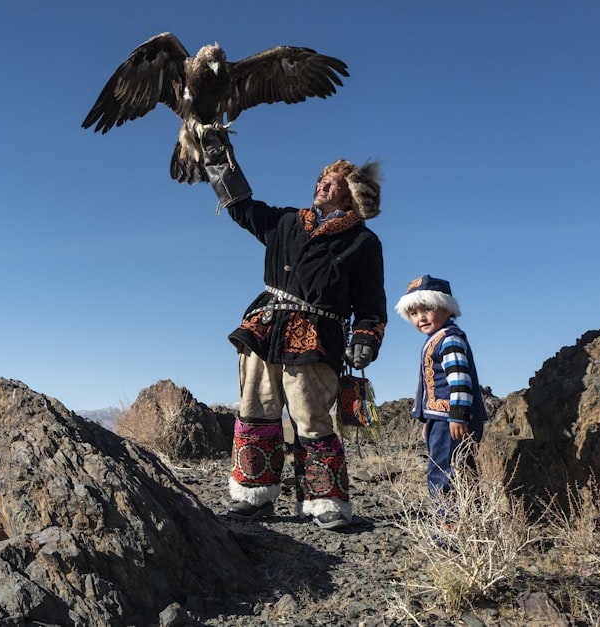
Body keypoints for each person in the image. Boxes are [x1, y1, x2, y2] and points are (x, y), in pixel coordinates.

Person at [201, 128, 387, 529]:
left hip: (318, 337)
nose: (322, 183)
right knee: (255, 408)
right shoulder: (285, 221)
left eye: (333, 181)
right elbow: (241, 207)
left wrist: (365, 340)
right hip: (265, 326)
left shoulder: (363, 242)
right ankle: (254, 495)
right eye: (322, 178)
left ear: (350, 193)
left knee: (311, 416)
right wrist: (218, 158)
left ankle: (325, 502)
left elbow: (371, 304)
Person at [394, 275, 487, 511]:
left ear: (446, 307)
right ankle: (469, 520)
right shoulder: (437, 339)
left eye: (427, 309)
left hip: (452, 419)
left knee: (444, 469)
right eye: (414, 313)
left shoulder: (449, 339)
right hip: (442, 418)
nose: (420, 317)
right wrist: (429, 420)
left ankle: (447, 524)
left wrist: (457, 415)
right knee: (461, 468)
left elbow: (459, 379)